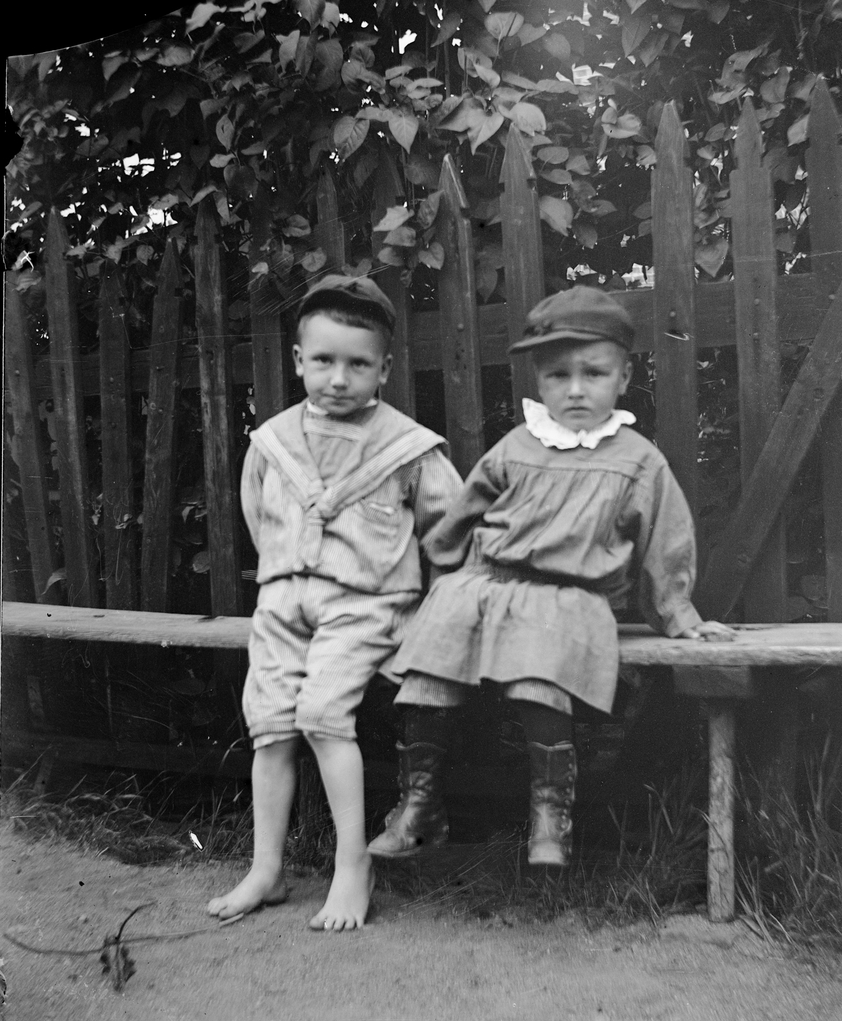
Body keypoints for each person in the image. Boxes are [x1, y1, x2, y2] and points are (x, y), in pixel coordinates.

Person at [368, 285, 735, 868]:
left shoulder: (638, 460)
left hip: (570, 594)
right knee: (427, 670)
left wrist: (678, 614)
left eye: (594, 373)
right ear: (539, 382)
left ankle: (549, 812)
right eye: (559, 375)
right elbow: (457, 521)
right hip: (486, 584)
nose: (576, 389)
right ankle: (419, 803)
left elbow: (666, 541)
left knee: (539, 678)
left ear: (623, 377)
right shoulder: (517, 446)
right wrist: (441, 584)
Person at [208, 274, 463, 930]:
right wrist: (294, 576)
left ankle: (353, 866)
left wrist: (436, 612)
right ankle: (267, 869)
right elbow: (260, 519)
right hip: (283, 603)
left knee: (323, 714)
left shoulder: (408, 447)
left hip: (367, 606)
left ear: (384, 368)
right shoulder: (272, 443)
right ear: (298, 360)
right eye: (323, 361)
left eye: (358, 364)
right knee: (271, 726)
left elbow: (452, 533)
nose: (339, 379)